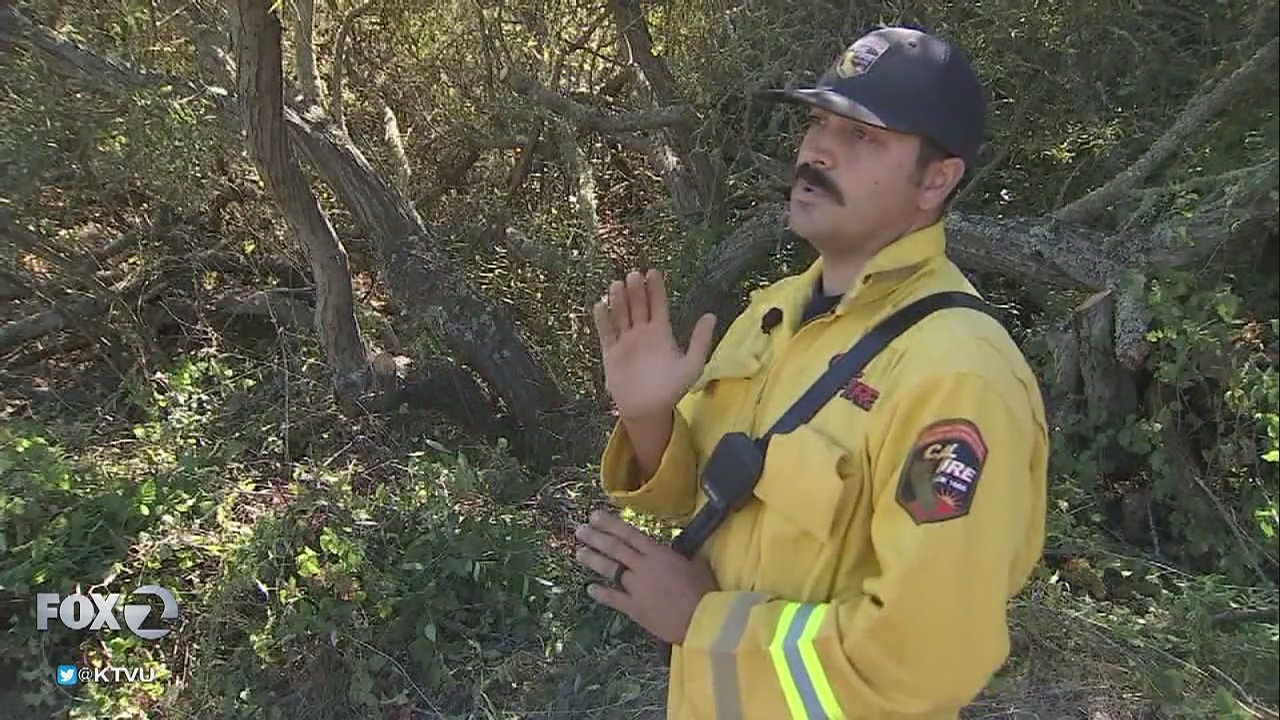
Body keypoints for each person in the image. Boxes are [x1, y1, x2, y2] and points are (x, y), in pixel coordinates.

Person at [572, 24, 1049, 719]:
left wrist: (701, 621)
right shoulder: (776, 314)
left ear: (936, 180)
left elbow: (921, 658)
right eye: (821, 122)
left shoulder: (958, 376)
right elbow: (697, 501)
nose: (818, 149)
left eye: (863, 136)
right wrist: (648, 419)